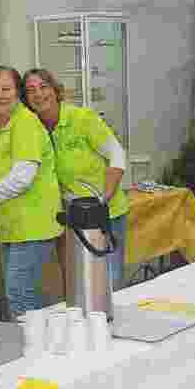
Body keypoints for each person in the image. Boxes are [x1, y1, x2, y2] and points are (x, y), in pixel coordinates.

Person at [0, 65, 62, 320]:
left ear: (17, 92)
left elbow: (23, 177)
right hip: (11, 226)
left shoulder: (25, 123)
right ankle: (33, 338)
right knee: (19, 293)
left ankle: (34, 342)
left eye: (6, 89)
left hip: (33, 225)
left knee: (20, 293)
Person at [23, 68, 128, 291]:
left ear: (55, 90)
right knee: (78, 285)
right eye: (30, 90)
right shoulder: (33, 129)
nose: (38, 94)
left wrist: (104, 198)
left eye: (44, 87)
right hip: (71, 219)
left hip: (104, 213)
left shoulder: (81, 118)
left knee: (108, 285)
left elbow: (117, 154)